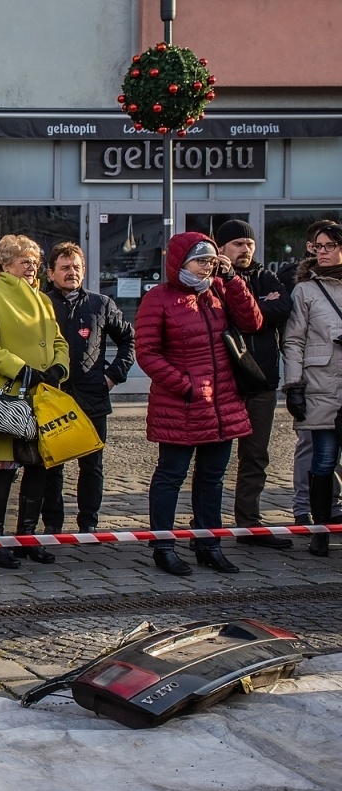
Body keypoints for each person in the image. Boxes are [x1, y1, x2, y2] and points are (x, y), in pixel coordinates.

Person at [135, 232, 262, 576]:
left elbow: (253, 322)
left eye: (210, 260)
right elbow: (147, 353)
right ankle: (163, 546)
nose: (206, 267)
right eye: (199, 260)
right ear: (180, 261)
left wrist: (232, 279)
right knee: (171, 476)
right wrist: (186, 386)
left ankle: (209, 544)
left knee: (213, 479)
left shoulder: (219, 290)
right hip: (181, 405)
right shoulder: (158, 299)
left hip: (222, 405)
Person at [0, 235, 69, 570]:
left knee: (39, 466)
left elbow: (58, 340)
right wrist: (22, 371)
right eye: (24, 260)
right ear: (6, 262)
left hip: (42, 398)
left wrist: (58, 367)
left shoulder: (43, 299)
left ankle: (27, 538)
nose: (31, 266)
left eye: (34, 261)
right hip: (8, 398)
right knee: (1, 471)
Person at [37, 243, 135, 534]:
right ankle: (52, 524)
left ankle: (88, 523)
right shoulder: (40, 303)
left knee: (92, 465)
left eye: (77, 267)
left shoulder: (100, 304)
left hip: (92, 395)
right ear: (51, 273)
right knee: (51, 466)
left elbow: (129, 340)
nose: (72, 273)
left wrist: (112, 376)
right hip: (53, 397)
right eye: (65, 267)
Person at [215, 220, 294, 533]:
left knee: (256, 456)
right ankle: (205, 524)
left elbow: (281, 309)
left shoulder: (266, 276)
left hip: (261, 381)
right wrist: (255, 309)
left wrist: (252, 310)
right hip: (224, 381)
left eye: (248, 244)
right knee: (213, 458)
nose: (244, 249)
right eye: (237, 244)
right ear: (221, 248)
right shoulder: (211, 278)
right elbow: (225, 316)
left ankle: (249, 521)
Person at [281, 221, 342, 557]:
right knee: (322, 459)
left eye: (329, 245)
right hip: (321, 383)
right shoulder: (306, 289)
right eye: (318, 247)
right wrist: (294, 385)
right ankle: (320, 530)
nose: (323, 252)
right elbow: (293, 340)